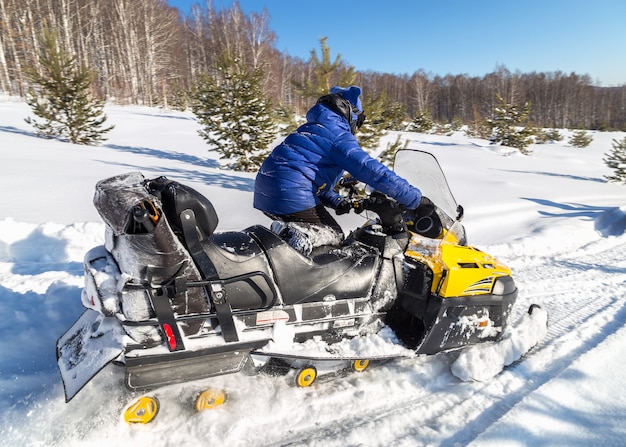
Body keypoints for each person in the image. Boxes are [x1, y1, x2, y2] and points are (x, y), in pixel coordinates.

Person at [253, 85, 431, 255]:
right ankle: (299, 238)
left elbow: (308, 174)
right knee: (333, 236)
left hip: (266, 190)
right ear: (350, 113)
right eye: (359, 120)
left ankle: (286, 249)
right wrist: (414, 199)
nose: (357, 127)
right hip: (290, 193)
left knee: (312, 243)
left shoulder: (313, 129)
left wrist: (337, 201)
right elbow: (371, 170)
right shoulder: (337, 134)